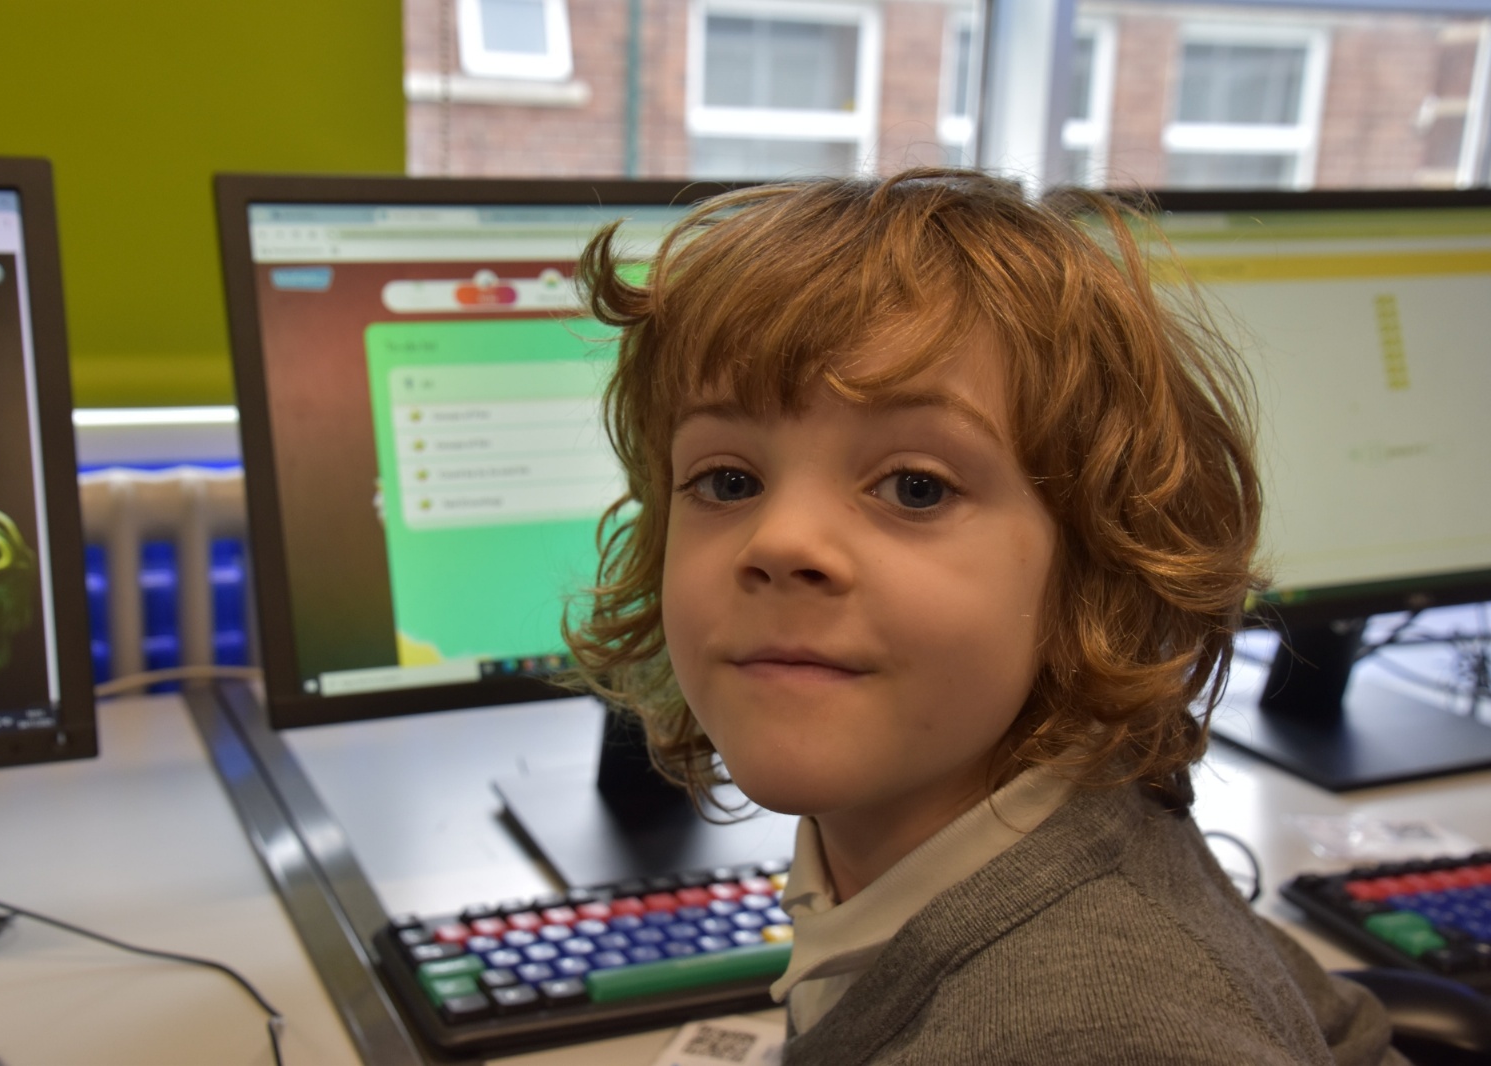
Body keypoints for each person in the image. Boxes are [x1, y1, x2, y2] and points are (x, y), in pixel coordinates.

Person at [564, 169, 1402, 1065]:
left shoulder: (1099, 1035)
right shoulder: (1018, 839)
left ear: (1096, 567)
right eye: (728, 481)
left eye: (915, 488)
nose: (779, 542)